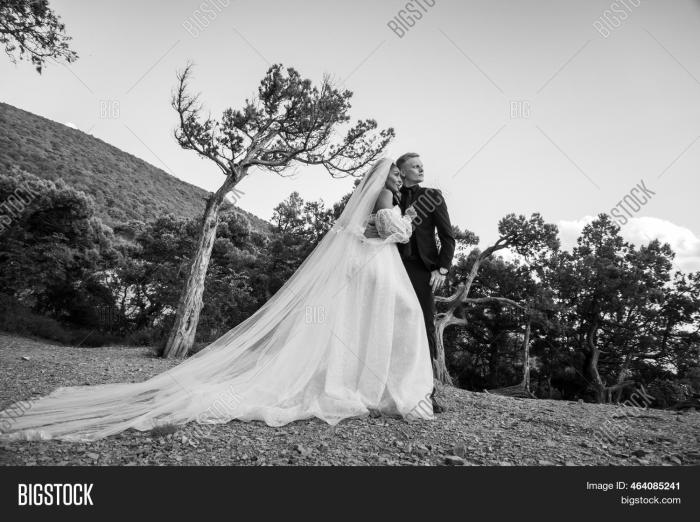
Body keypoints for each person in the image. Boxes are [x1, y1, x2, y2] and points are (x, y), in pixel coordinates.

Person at [0, 158, 435, 442]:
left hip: (375, 266)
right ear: (384, 176)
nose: (400, 175)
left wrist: (397, 224)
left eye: (404, 171)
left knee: (382, 320)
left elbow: (373, 232)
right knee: (402, 317)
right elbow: (388, 233)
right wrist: (408, 221)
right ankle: (380, 387)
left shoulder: (388, 197)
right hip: (376, 266)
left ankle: (371, 384)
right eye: (397, 171)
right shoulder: (386, 195)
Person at [396, 153, 455, 412]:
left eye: (422, 166)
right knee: (393, 324)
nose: (421, 169)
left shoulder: (433, 195)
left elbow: (447, 236)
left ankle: (426, 393)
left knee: (426, 326)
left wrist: (442, 269)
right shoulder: (389, 194)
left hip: (422, 270)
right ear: (402, 171)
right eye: (415, 166)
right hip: (391, 266)